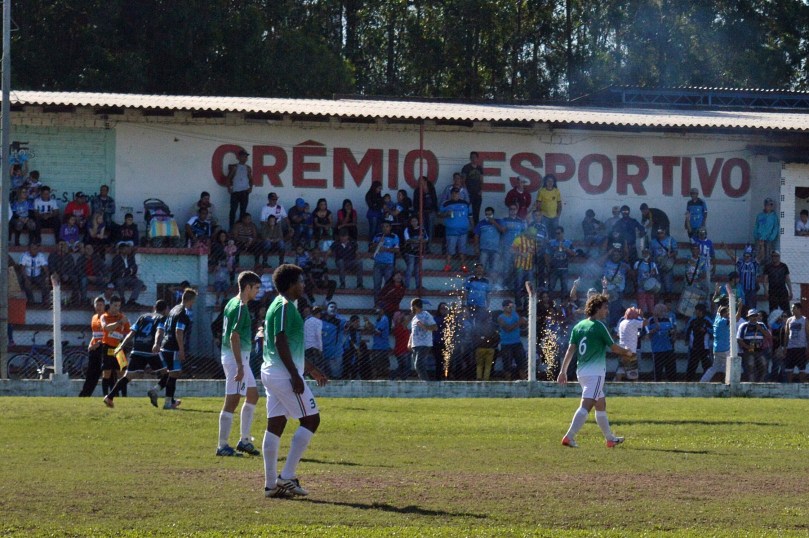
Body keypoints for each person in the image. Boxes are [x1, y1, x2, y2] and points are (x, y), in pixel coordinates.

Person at [261, 264, 328, 498]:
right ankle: (287, 476)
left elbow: (291, 346)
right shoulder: (283, 306)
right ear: (290, 284)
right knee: (311, 420)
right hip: (282, 374)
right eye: (300, 281)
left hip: (275, 372)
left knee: (276, 424)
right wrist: (295, 374)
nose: (303, 285)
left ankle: (271, 485)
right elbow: (280, 341)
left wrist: (310, 370)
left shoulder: (285, 306)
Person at [557, 293, 633, 448]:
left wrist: (563, 371)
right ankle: (569, 437)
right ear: (597, 308)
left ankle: (610, 439)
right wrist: (628, 352)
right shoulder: (599, 326)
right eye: (605, 308)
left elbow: (570, 350)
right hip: (595, 373)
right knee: (586, 405)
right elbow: (613, 347)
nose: (607, 311)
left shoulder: (579, 326)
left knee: (601, 404)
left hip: (582, 373)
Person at [216, 271, 262, 457]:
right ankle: (222, 445)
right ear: (248, 287)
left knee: (253, 396)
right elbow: (234, 337)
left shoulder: (232, 303)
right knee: (232, 401)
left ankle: (244, 440)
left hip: (238, 358)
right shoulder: (240, 307)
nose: (258, 292)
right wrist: (240, 366)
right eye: (256, 288)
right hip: (236, 359)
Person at [104, 300, 169, 408]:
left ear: (154, 307)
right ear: (166, 309)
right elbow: (159, 331)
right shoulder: (161, 318)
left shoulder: (143, 317)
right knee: (168, 374)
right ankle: (155, 391)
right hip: (151, 351)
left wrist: (121, 346)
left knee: (127, 377)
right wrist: (157, 344)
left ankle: (109, 397)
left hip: (137, 349)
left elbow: (132, 333)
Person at [159, 288, 197, 410]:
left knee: (171, 373)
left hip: (165, 345)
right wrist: (181, 349)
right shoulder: (183, 313)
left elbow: (166, 327)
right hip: (173, 347)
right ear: (190, 300)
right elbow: (178, 331)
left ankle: (167, 399)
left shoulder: (173, 309)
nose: (193, 304)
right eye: (194, 301)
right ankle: (166, 401)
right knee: (174, 374)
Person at [100, 296, 131, 403]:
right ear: (110, 305)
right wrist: (119, 323)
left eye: (118, 306)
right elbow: (106, 328)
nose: (117, 308)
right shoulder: (104, 316)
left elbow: (128, 332)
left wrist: (123, 335)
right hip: (107, 347)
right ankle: (105, 396)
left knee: (122, 373)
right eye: (115, 305)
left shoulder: (123, 317)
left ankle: (124, 397)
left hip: (119, 348)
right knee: (107, 373)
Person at [79, 296, 108, 397]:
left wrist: (98, 343)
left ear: (104, 306)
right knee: (91, 374)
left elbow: (108, 335)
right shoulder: (94, 317)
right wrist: (91, 344)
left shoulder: (106, 317)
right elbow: (94, 334)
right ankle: (85, 395)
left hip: (103, 348)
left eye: (101, 305)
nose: (99, 307)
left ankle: (111, 395)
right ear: (94, 306)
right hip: (94, 348)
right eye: (97, 305)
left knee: (106, 373)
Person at [440, 187, 473, 272]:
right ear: (451, 194)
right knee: (450, 250)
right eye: (453, 194)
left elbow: (470, 216)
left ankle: (464, 266)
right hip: (451, 231)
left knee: (462, 250)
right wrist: (446, 213)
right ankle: (447, 266)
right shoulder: (445, 203)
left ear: (459, 194)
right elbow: (439, 214)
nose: (455, 195)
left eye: (457, 193)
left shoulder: (466, 203)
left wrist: (472, 226)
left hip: (463, 231)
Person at [700, 305, 736, 382]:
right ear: (724, 313)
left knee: (715, 367)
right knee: (729, 366)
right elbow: (735, 319)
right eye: (727, 313)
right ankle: (729, 382)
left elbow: (712, 331)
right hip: (724, 348)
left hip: (717, 348)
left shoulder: (716, 320)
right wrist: (739, 308)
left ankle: (703, 381)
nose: (728, 314)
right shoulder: (723, 321)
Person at [737, 308, 770, 382]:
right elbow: (739, 340)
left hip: (759, 349)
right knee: (750, 365)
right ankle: (751, 383)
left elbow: (768, 336)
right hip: (748, 350)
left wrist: (760, 329)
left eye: (755, 316)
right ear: (748, 317)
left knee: (764, 364)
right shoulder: (744, 326)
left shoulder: (761, 325)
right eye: (752, 316)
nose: (754, 317)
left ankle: (761, 382)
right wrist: (747, 346)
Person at [408, 298, 437, 381]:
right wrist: (410, 342)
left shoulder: (426, 315)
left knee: (419, 364)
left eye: (411, 306)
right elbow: (413, 331)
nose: (410, 308)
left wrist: (425, 327)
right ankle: (423, 381)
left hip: (424, 344)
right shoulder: (415, 317)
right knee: (417, 365)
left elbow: (435, 327)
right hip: (416, 345)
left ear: (415, 306)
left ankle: (426, 383)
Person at [497, 299, 527, 380]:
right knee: (507, 366)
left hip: (517, 343)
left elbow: (522, 324)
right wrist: (519, 322)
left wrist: (524, 322)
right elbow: (507, 328)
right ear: (503, 308)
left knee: (522, 364)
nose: (511, 308)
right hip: (506, 344)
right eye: (508, 306)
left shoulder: (515, 314)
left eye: (512, 306)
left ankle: (525, 383)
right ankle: (507, 384)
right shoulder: (500, 318)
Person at [647, 303, 677, 381]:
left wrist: (673, 334)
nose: (664, 312)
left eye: (665, 310)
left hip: (668, 348)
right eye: (662, 310)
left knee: (670, 370)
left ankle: (672, 386)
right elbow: (647, 335)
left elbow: (672, 331)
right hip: (657, 350)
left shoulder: (667, 319)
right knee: (658, 371)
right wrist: (655, 329)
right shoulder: (650, 320)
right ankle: (656, 386)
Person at [616, 307, 647, 381]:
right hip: (631, 351)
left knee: (621, 369)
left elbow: (618, 334)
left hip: (622, 349)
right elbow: (646, 323)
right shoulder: (633, 322)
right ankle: (635, 387)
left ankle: (616, 383)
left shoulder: (622, 323)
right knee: (633, 372)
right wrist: (642, 316)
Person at [545, 226, 576, 300]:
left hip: (564, 268)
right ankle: (550, 303)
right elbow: (546, 254)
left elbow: (574, 253)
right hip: (553, 268)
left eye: (559, 233)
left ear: (562, 233)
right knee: (551, 287)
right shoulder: (551, 242)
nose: (557, 235)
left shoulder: (568, 242)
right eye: (556, 234)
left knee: (564, 287)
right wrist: (548, 266)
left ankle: (563, 304)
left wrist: (566, 249)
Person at [370, 221, 399, 298]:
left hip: (388, 264)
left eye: (387, 226)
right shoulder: (377, 236)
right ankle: (377, 305)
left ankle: (387, 306)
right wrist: (378, 244)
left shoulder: (394, 236)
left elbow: (397, 250)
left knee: (388, 286)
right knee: (376, 285)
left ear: (390, 227)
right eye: (383, 226)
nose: (385, 228)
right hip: (378, 264)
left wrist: (385, 249)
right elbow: (371, 247)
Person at [685, 304, 713, 381]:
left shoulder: (707, 320)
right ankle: (689, 381)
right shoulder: (692, 320)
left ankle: (707, 381)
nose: (695, 312)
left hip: (704, 347)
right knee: (692, 366)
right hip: (694, 347)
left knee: (707, 365)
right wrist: (687, 340)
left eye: (697, 310)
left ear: (701, 311)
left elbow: (714, 331)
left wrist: (706, 330)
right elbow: (687, 330)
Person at [474, 207, 504, 277]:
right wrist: (476, 247)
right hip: (484, 249)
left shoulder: (498, 221)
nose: (488, 216)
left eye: (490, 214)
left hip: (496, 250)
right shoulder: (481, 223)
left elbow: (503, 230)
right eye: (486, 214)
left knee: (494, 268)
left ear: (493, 214)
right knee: (481, 267)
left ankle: (493, 284)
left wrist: (494, 222)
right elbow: (476, 235)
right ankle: (481, 281)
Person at [226, 149, 253, 229]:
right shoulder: (234, 167)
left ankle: (241, 228)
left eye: (246, 157)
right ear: (239, 157)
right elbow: (228, 178)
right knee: (233, 210)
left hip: (245, 192)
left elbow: (251, 179)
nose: (245, 158)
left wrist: (251, 188)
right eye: (243, 157)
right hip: (236, 192)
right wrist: (229, 188)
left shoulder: (248, 168)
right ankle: (231, 228)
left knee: (243, 211)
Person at [783, 302, 808, 383]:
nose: (792, 310)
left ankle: (802, 385)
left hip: (801, 347)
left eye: (794, 308)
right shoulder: (789, 320)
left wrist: (808, 347)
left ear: (799, 309)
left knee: (802, 368)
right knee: (789, 369)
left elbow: (808, 334)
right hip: (790, 347)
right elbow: (786, 334)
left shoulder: (805, 320)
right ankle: (789, 386)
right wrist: (785, 347)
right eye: (791, 308)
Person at [402, 216, 428, 290]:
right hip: (410, 252)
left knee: (418, 269)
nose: (414, 222)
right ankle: (406, 286)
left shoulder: (422, 229)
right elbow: (407, 240)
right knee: (410, 268)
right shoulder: (408, 229)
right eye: (412, 221)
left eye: (415, 221)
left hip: (419, 252)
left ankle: (418, 286)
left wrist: (419, 241)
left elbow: (426, 239)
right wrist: (418, 241)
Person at [649, 228, 677, 295]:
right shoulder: (653, 242)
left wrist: (670, 255)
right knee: (657, 285)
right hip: (657, 266)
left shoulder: (670, 240)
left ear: (665, 231)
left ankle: (667, 302)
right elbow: (650, 254)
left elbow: (675, 251)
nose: (660, 234)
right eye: (658, 233)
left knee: (668, 285)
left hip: (667, 265)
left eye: (662, 233)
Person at [365, 306, 391, 379]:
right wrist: (368, 323)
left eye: (378, 308)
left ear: (382, 310)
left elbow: (378, 332)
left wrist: (369, 324)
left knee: (381, 368)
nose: (376, 310)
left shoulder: (384, 319)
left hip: (381, 347)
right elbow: (375, 329)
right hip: (377, 346)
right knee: (376, 366)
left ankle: (384, 381)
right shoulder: (378, 319)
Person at [461, 151, 484, 225]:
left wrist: (481, 190)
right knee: (466, 212)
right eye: (471, 157)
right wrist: (466, 192)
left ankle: (475, 232)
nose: (473, 159)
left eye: (474, 157)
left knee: (476, 213)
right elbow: (463, 181)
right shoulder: (466, 167)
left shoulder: (480, 168)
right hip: (469, 194)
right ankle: (466, 230)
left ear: (477, 158)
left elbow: (481, 180)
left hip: (477, 194)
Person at [753, 197, 779, 262]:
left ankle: (766, 270)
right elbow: (756, 226)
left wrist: (771, 237)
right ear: (764, 205)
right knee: (758, 255)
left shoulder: (774, 216)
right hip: (759, 239)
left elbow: (776, 227)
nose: (769, 207)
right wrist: (756, 235)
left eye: (771, 205)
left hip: (768, 239)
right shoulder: (760, 215)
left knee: (768, 255)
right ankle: (758, 270)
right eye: (767, 205)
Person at [304, 306, 325, 376]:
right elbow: (318, 335)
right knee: (317, 366)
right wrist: (320, 348)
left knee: (308, 366)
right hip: (315, 347)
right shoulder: (319, 322)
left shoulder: (306, 321)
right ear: (319, 314)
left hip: (307, 346)